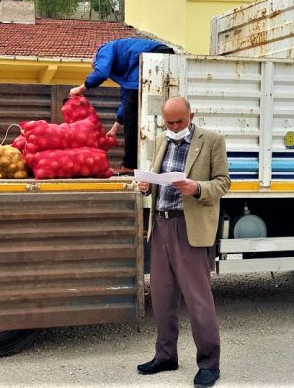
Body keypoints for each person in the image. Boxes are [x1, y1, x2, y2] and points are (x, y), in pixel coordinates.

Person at [136, 97, 231, 387]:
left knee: (198, 299)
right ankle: (166, 355)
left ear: (192, 115)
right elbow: (155, 183)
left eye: (179, 121)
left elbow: (223, 183)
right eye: (169, 122)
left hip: (189, 227)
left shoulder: (212, 140)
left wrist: (197, 187)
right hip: (161, 224)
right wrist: (145, 186)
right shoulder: (158, 141)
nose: (174, 126)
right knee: (162, 297)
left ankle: (209, 364)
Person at [70, 37, 174, 175]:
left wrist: (80, 88)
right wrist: (114, 129)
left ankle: (130, 165)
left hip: (155, 56)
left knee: (132, 120)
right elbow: (126, 102)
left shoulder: (104, 50)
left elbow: (101, 73)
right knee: (138, 115)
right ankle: (143, 163)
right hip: (159, 60)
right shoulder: (127, 71)